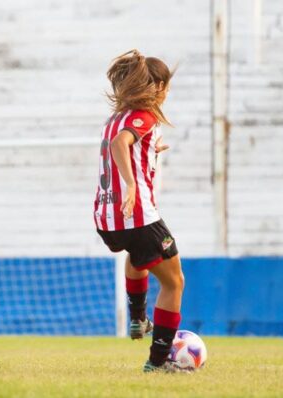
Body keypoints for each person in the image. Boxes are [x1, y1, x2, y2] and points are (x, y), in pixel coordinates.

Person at [93, 50, 186, 373]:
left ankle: (137, 319)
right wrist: (132, 185)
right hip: (137, 215)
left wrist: (151, 150)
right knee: (174, 283)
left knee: (138, 255)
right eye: (167, 85)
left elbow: (124, 144)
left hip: (108, 219)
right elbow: (121, 144)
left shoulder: (114, 119)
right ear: (158, 86)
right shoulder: (143, 117)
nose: (168, 91)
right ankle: (158, 363)